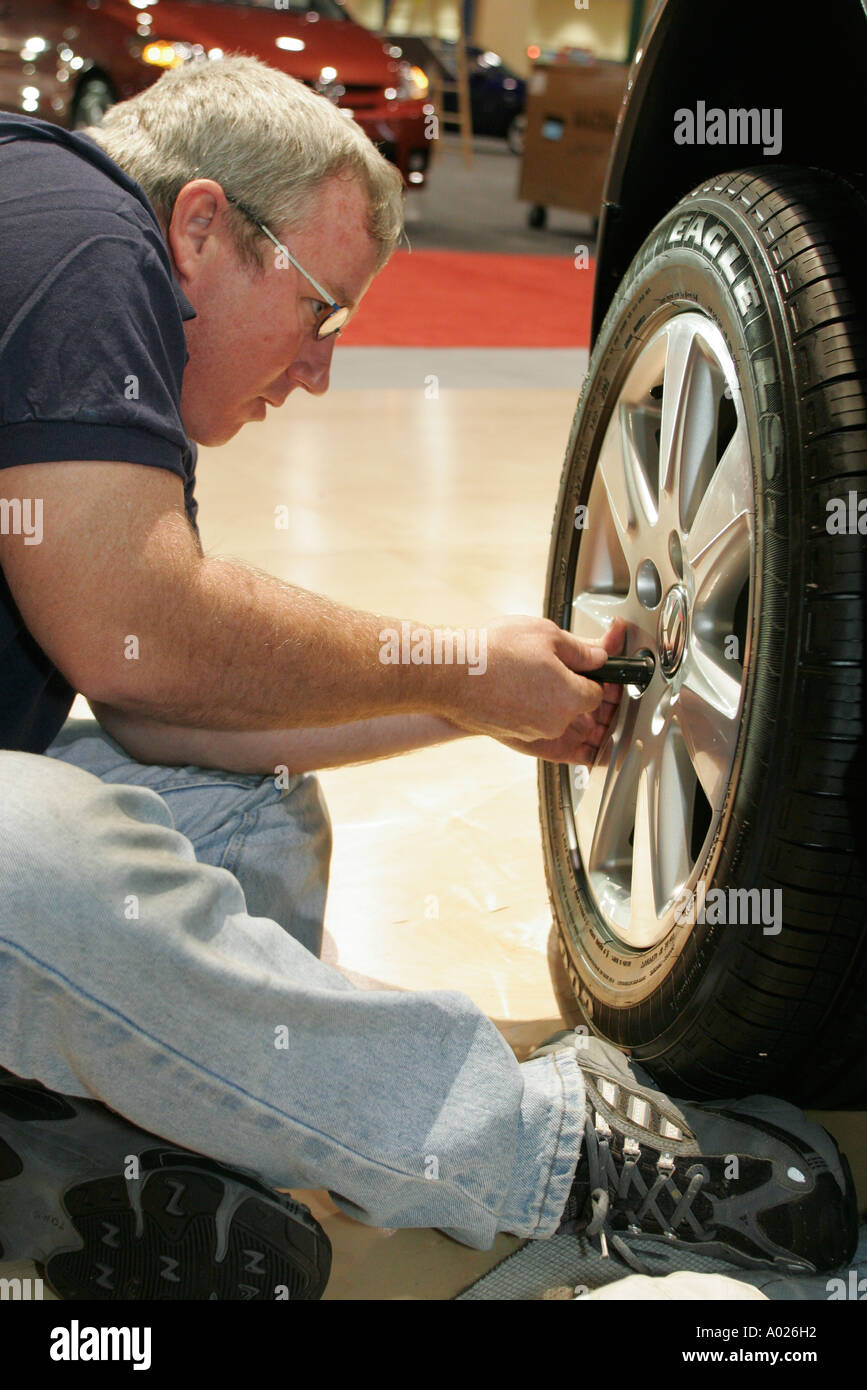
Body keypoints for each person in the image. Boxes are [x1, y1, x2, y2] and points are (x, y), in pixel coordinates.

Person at [0, 56, 857, 1300]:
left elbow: (154, 702)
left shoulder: (61, 300)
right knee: (51, 861)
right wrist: (462, 667)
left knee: (249, 800)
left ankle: (81, 1154)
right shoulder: (77, 227)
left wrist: (473, 700)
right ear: (198, 226)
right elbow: (131, 630)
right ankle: (550, 1159)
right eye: (321, 311)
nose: (321, 371)